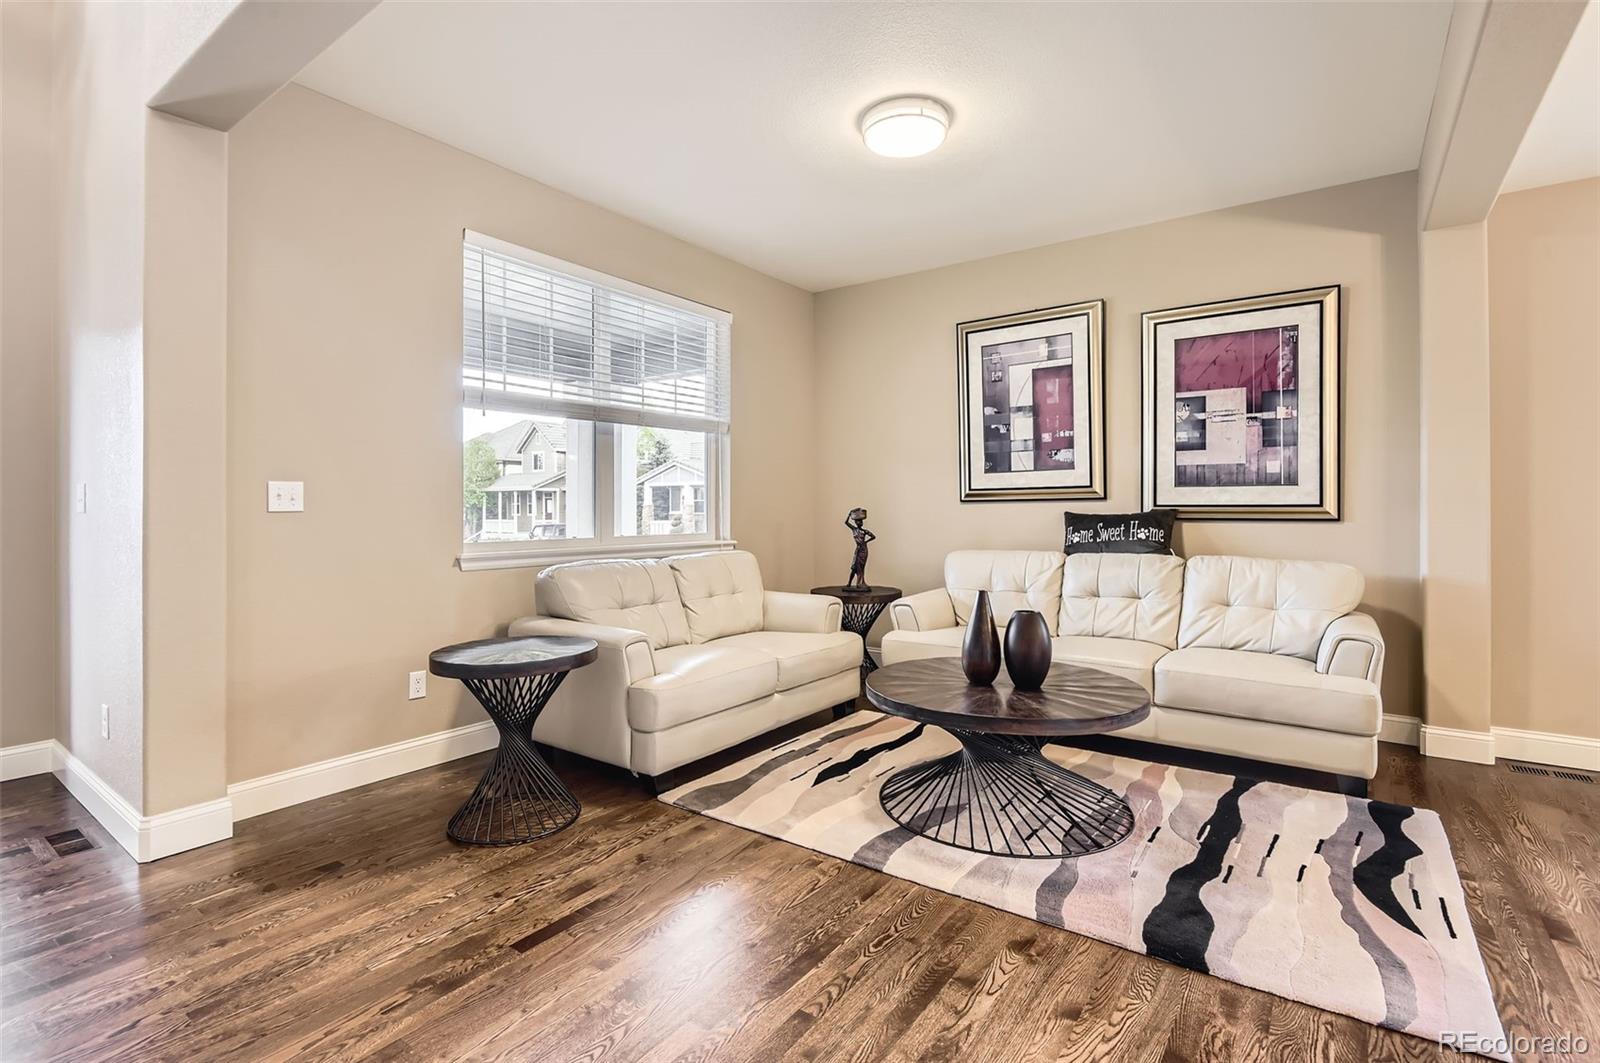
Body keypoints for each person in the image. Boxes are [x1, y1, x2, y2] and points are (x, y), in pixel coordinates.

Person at [845, 507, 875, 590]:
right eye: (858, 521)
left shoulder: (864, 531)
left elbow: (873, 536)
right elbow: (846, 522)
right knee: (854, 567)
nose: (860, 522)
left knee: (861, 567)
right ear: (855, 522)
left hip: (863, 550)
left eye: (861, 521)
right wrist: (849, 514)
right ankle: (849, 583)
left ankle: (860, 583)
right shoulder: (854, 529)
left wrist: (866, 542)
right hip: (857, 550)